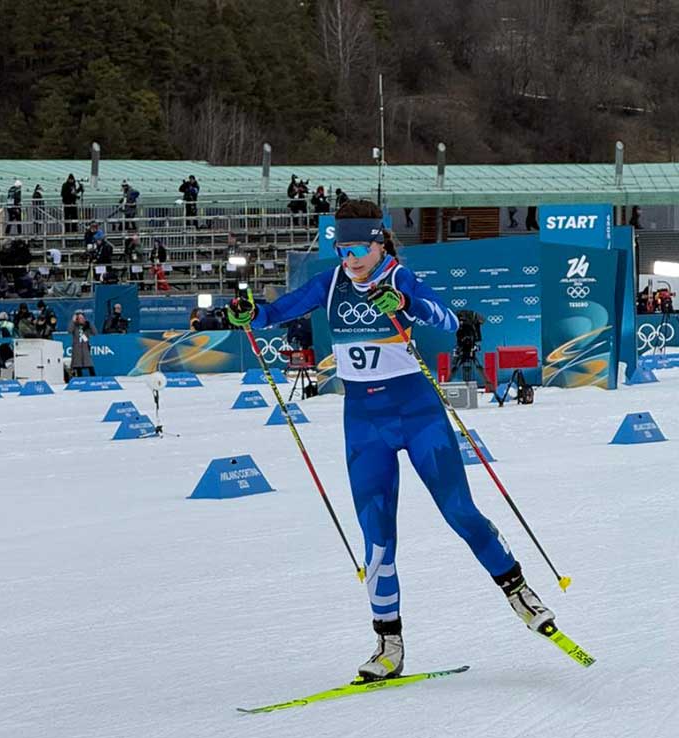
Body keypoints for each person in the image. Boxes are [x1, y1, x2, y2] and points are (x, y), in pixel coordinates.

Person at [226, 199, 559, 681]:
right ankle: (388, 644)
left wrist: (405, 305)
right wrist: (248, 313)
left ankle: (518, 589)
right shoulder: (333, 281)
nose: (350, 258)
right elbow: (275, 312)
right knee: (377, 538)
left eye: (359, 247)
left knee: (459, 512)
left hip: (417, 413)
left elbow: (446, 320)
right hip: (363, 421)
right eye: (342, 248)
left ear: (380, 242)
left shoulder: (399, 277)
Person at [69, 312, 97, 377]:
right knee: (78, 366)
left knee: (89, 364)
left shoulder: (87, 326)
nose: (81, 319)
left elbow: (95, 332)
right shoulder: (75, 326)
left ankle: (94, 379)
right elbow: (69, 331)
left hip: (85, 348)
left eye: (82, 318)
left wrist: (90, 324)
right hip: (77, 349)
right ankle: (80, 380)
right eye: (79, 318)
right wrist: (72, 321)